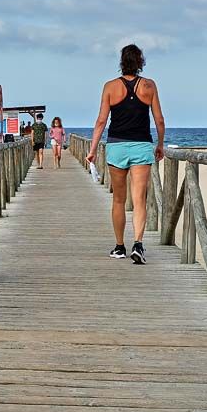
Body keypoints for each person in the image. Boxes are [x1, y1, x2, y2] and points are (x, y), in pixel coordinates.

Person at [86, 44, 165, 264]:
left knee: (119, 200)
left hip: (117, 146)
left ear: (122, 61)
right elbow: (159, 119)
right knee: (139, 199)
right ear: (140, 62)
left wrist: (92, 150)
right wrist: (160, 144)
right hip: (141, 146)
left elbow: (101, 121)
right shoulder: (149, 86)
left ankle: (120, 247)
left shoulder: (110, 87)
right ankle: (138, 244)